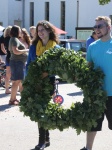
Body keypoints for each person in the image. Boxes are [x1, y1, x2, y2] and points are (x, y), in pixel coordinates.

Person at [81, 16, 112, 150]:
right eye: (95, 27)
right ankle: (88, 147)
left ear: (108, 28)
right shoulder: (92, 46)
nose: (96, 29)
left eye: (100, 26)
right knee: (93, 121)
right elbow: (89, 67)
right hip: (96, 92)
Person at [26, 20, 60, 150]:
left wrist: (46, 74)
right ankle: (45, 139)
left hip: (49, 82)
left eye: (43, 30)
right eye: (38, 30)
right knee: (40, 110)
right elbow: (29, 64)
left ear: (49, 31)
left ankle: (43, 141)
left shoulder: (55, 47)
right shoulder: (34, 46)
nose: (40, 33)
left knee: (43, 109)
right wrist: (28, 80)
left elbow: (57, 67)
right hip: (36, 81)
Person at [8, 25, 29, 105]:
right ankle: (12, 100)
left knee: (16, 81)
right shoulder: (15, 39)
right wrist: (26, 50)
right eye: (20, 30)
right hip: (17, 63)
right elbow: (16, 51)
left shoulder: (13, 39)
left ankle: (14, 99)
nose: (21, 32)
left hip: (16, 62)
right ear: (17, 31)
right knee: (16, 82)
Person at [1, 26, 12, 94]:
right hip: (12, 56)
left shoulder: (3, 37)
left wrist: (5, 52)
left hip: (7, 56)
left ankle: (7, 89)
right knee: (14, 74)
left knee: (7, 74)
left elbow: (2, 47)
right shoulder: (12, 38)